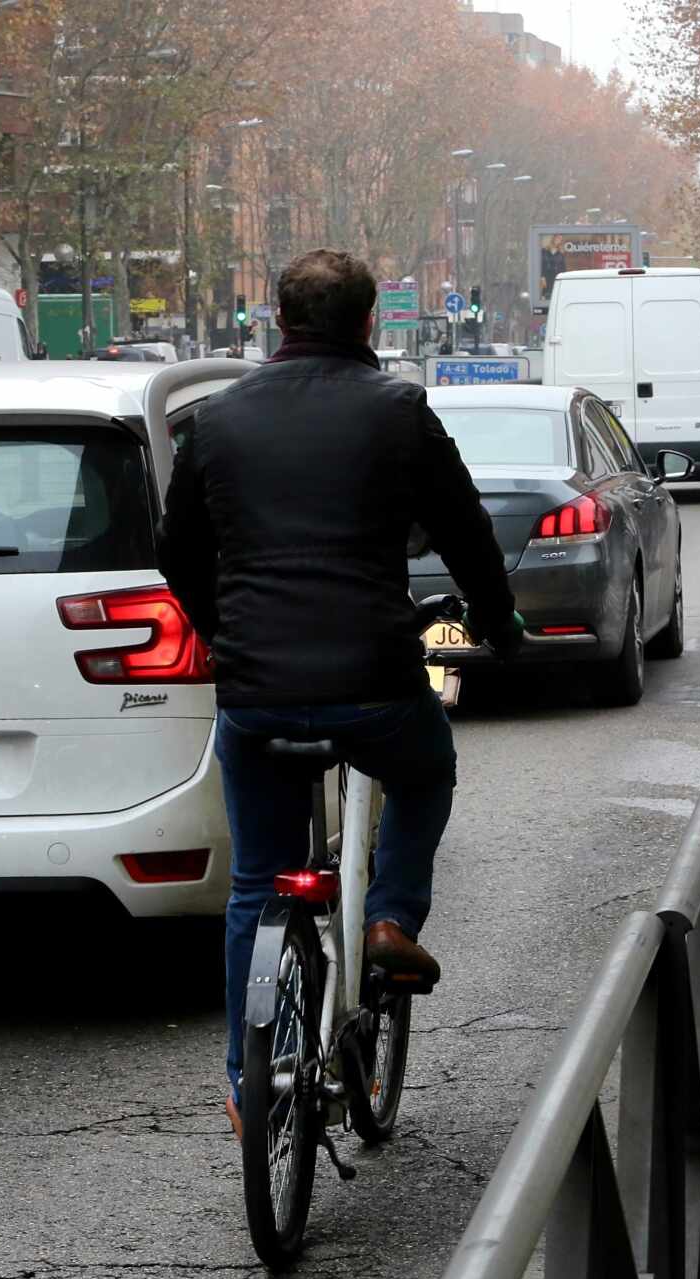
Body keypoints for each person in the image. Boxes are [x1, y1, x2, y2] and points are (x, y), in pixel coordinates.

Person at [155, 249, 521, 1140]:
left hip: (256, 694)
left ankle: (250, 1082)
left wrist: (221, 626)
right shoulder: (399, 412)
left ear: (279, 321)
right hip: (374, 682)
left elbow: (176, 552)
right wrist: (500, 625)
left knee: (254, 881)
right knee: (427, 768)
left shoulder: (218, 419)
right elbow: (468, 532)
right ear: (369, 324)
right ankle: (391, 914)